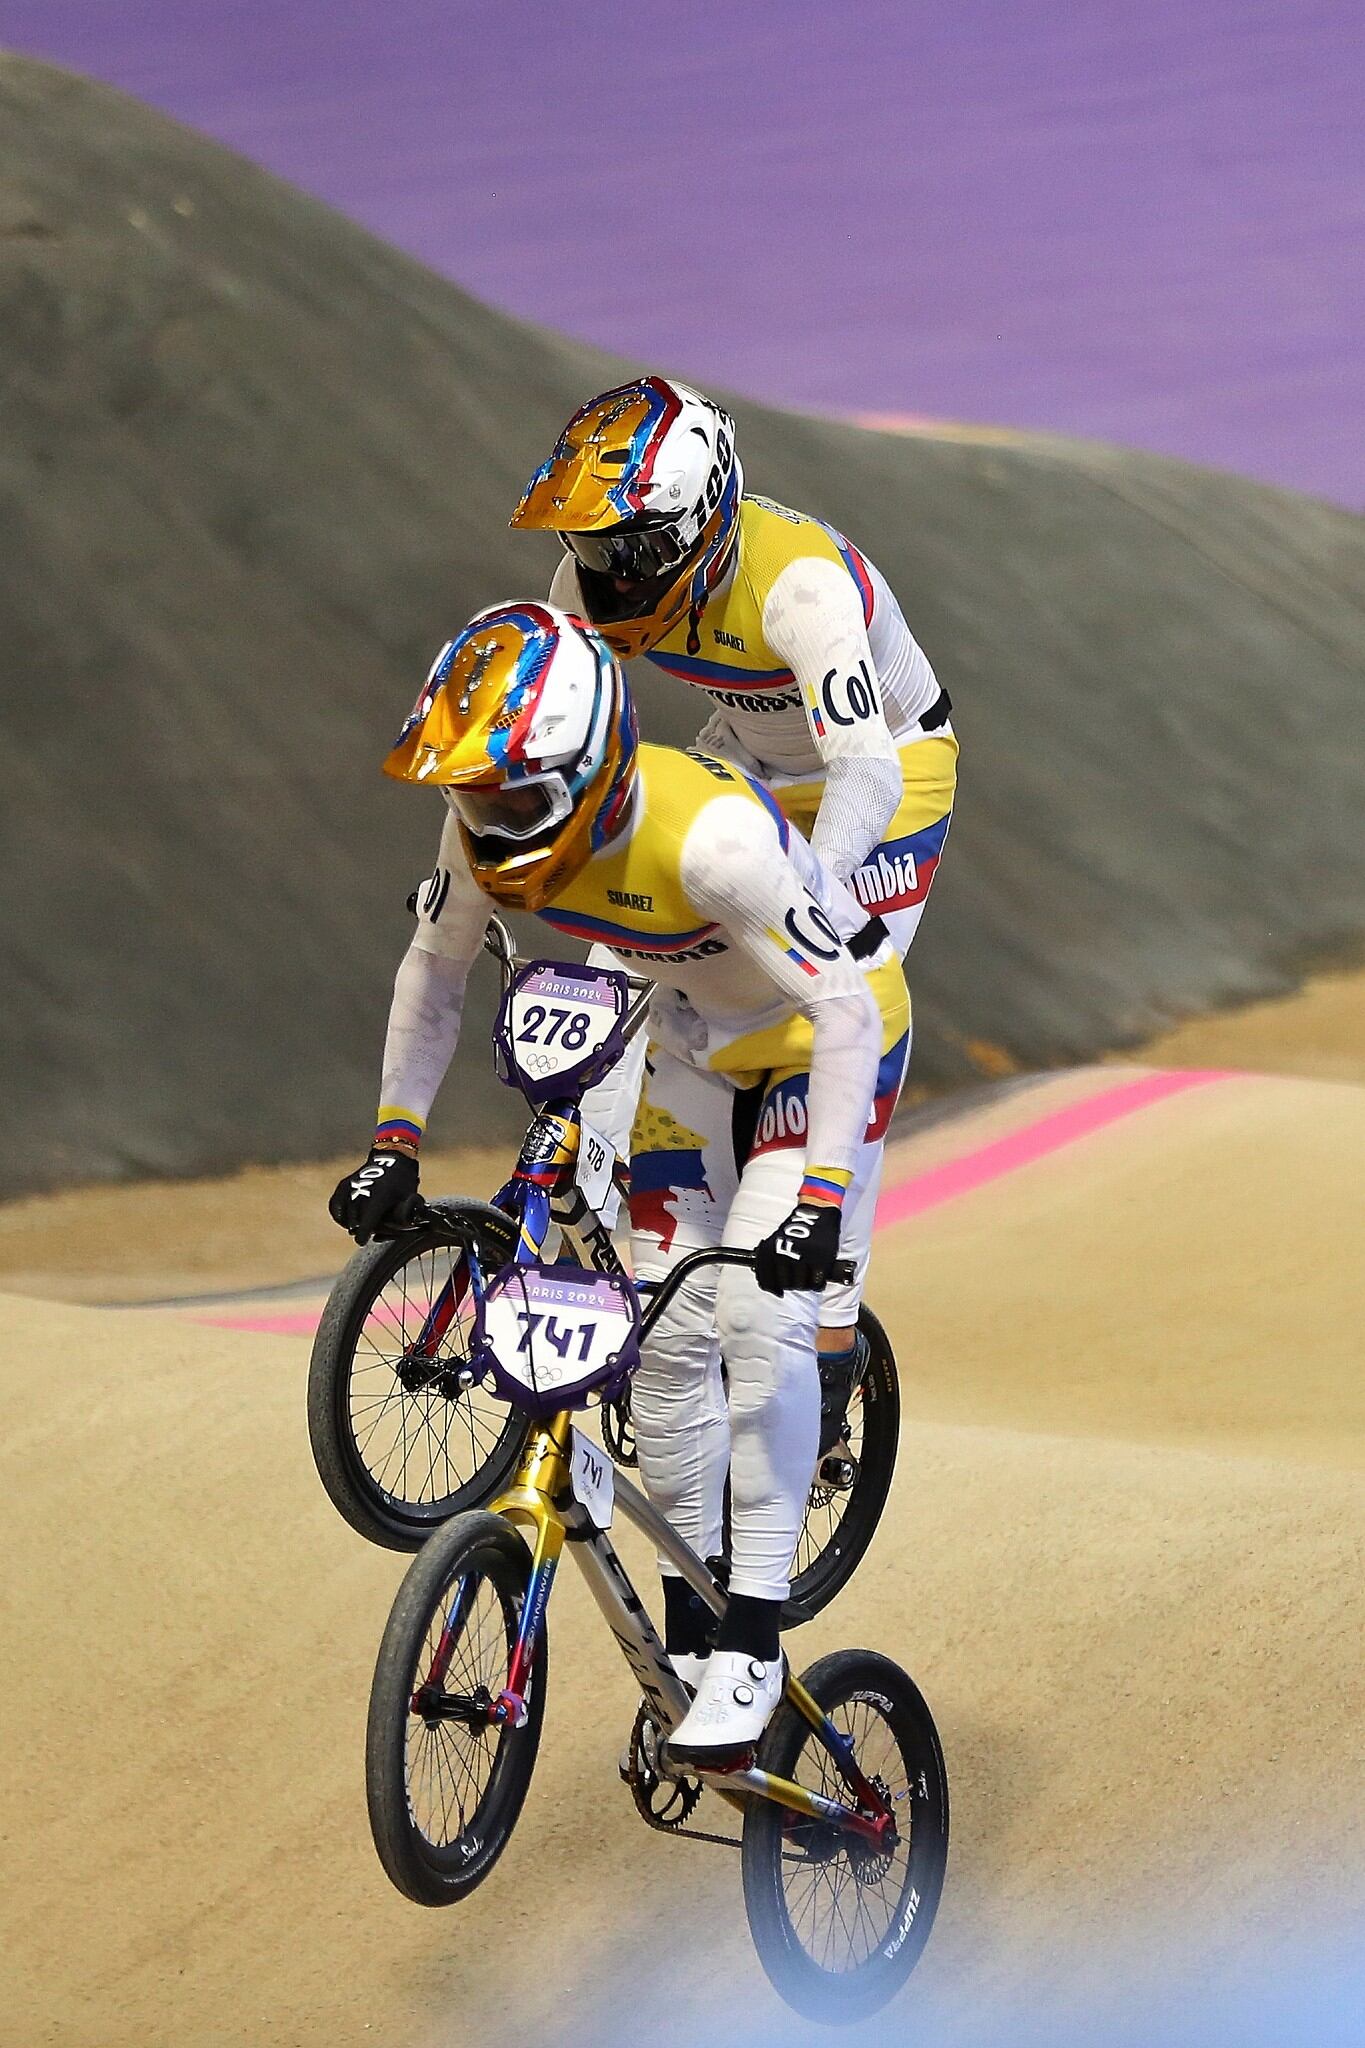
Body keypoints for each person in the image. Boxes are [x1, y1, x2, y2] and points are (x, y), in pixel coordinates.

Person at [329, 601, 910, 1760]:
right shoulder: (482, 825)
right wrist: (395, 1140)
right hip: (691, 1050)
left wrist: (822, 1197)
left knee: (755, 1314)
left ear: (588, 773)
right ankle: (694, 1631)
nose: (483, 826)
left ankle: (752, 1639)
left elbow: (846, 1006)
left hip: (818, 1047)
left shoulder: (715, 844)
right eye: (468, 800)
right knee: (666, 1356)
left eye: (507, 802)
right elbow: (433, 972)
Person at [509, 375, 957, 1418]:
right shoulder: (588, 585)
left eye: (629, 548)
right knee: (622, 956)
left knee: (828, 994)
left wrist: (803, 894)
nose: (606, 574)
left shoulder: (799, 587)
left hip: (884, 773)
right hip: (750, 759)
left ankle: (832, 1305)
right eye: (592, 548)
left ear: (702, 524)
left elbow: (868, 774)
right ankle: (601, 1218)